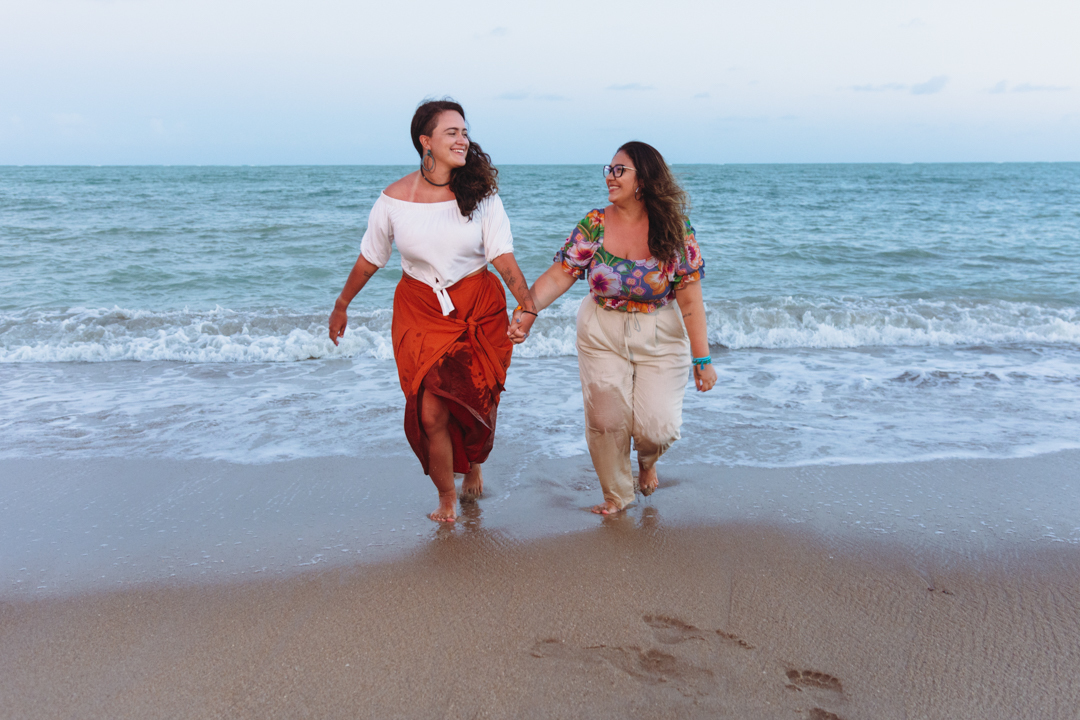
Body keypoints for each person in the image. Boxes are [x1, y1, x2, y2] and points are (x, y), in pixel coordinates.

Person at [329, 99, 536, 523]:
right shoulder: (393, 199)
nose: (463, 139)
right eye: (451, 133)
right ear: (426, 142)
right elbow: (371, 258)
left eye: (465, 132)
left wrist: (527, 306)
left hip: (477, 306)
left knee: (477, 394)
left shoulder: (481, 195)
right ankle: (446, 497)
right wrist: (342, 303)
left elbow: (503, 258)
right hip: (420, 310)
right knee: (429, 409)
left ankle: (474, 463)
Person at [510, 141, 716, 515]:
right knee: (606, 420)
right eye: (609, 168)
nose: (610, 175)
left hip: (660, 331)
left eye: (620, 170)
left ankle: (648, 461)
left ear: (643, 179)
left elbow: (689, 298)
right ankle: (617, 496)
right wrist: (527, 310)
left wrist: (702, 358)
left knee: (657, 428)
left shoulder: (674, 229)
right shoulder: (595, 223)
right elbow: (561, 275)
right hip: (602, 328)